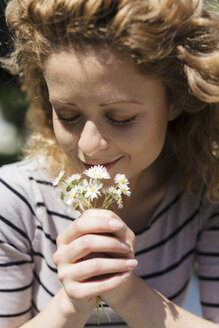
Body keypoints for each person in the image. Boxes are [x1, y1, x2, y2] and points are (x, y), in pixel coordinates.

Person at [0, 0, 218, 327]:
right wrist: (72, 303)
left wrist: (127, 291)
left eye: (120, 118)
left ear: (174, 100)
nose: (89, 146)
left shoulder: (202, 191)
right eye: (68, 115)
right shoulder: (16, 200)